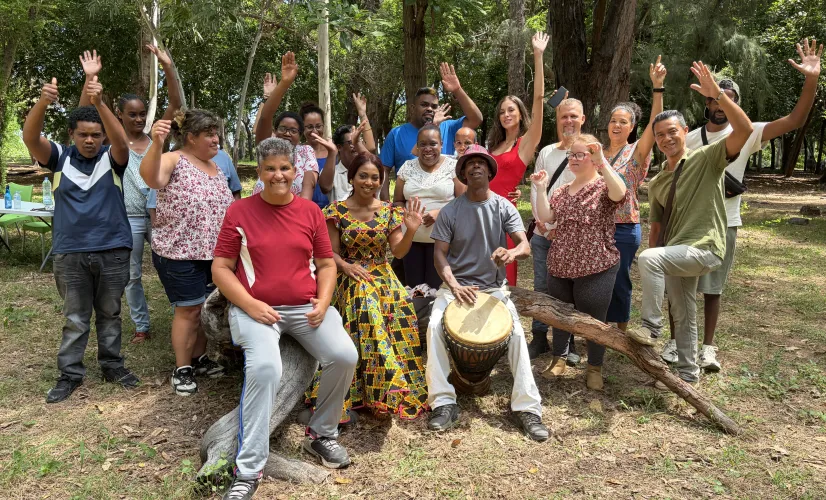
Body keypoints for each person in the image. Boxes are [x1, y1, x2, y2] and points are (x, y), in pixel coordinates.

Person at [660, 39, 823, 372]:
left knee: (712, 288)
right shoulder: (688, 138)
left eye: (727, 99)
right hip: (686, 224)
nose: (719, 105)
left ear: (735, 102)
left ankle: (707, 348)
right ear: (705, 102)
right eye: (713, 98)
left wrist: (811, 79)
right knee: (676, 285)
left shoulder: (748, 133)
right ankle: (675, 343)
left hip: (726, 222)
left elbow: (794, 119)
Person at [213, 138, 358, 499]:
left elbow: (326, 264)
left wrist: (324, 303)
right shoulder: (240, 212)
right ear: (259, 173)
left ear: (295, 171)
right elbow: (221, 268)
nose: (278, 175)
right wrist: (249, 305)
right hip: (257, 311)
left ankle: (322, 435)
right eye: (270, 169)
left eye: (285, 168)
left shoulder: (310, 211)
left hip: (305, 307)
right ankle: (247, 470)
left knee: (344, 355)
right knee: (266, 369)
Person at [626, 62, 754, 388]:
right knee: (684, 314)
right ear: (655, 141)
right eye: (660, 135)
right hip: (675, 252)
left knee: (649, 258)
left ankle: (651, 328)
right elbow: (656, 231)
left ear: (685, 132)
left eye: (673, 132)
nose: (667, 138)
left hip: (706, 248)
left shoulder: (706, 157)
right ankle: (688, 376)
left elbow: (745, 130)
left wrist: (718, 98)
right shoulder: (656, 183)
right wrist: (657, 263)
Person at [23, 76, 140, 403]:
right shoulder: (59, 156)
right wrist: (43, 102)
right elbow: (30, 137)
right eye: (83, 135)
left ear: (102, 135)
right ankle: (70, 373)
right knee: (75, 317)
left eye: (95, 134)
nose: (90, 140)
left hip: (113, 249)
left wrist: (100, 102)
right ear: (72, 135)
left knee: (110, 313)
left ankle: (112, 365)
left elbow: (120, 140)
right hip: (71, 252)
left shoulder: (112, 159)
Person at [425, 144, 548, 442]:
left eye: (481, 163)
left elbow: (525, 245)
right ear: (463, 173)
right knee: (433, 328)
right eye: (469, 164)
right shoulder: (451, 210)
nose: (475, 167)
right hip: (455, 289)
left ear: (490, 171)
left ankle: (527, 409)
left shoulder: (504, 206)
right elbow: (439, 255)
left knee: (517, 335)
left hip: (493, 289)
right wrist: (453, 285)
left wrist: (511, 252)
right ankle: (443, 403)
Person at [306, 152, 429, 422]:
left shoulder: (388, 211)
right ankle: (383, 387)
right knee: (365, 303)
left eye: (375, 177)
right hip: (348, 275)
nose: (369, 182)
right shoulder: (336, 211)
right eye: (363, 175)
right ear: (351, 178)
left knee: (400, 304)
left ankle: (384, 389)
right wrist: (347, 267)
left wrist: (410, 230)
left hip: (382, 275)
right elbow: (329, 254)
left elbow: (397, 252)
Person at [77, 46, 183, 344]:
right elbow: (85, 112)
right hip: (129, 218)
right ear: (120, 115)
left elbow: (175, 102)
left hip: (161, 215)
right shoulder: (113, 142)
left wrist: (167, 66)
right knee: (132, 275)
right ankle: (142, 325)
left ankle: (183, 314)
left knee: (172, 268)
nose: (138, 119)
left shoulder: (155, 139)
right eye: (132, 115)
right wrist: (91, 80)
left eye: (141, 115)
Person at [140, 109, 233, 396]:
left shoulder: (216, 167)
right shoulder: (173, 159)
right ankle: (182, 369)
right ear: (191, 137)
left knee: (205, 310)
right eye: (209, 134)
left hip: (212, 255)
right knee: (188, 311)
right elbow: (151, 179)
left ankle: (199, 358)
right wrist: (156, 143)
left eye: (216, 133)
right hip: (179, 253)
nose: (216, 139)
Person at [531, 135, 628, 390]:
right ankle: (559, 358)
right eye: (570, 155)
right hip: (561, 264)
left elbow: (620, 194)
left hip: (595, 266)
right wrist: (541, 190)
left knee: (594, 321)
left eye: (579, 154)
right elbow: (547, 216)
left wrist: (602, 162)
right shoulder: (563, 189)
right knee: (561, 315)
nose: (573, 159)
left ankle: (594, 367)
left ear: (593, 157)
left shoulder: (603, 186)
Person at [603, 57, 666, 333]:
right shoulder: (597, 152)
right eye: (613, 120)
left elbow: (655, 125)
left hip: (623, 227)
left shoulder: (636, 152)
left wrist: (658, 89)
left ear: (632, 128)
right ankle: (596, 327)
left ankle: (620, 331)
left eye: (623, 122)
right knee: (596, 278)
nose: (616, 125)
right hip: (594, 226)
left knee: (619, 280)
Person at [487, 32, 549, 287]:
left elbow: (538, 101)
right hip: (480, 214)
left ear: (520, 114)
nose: (506, 114)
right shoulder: (492, 147)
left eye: (511, 109)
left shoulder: (525, 144)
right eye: (502, 111)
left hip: (503, 218)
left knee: (503, 278)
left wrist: (538, 55)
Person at [526, 97, 585, 360]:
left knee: (569, 290)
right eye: (564, 117)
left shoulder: (588, 154)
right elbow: (535, 189)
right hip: (543, 235)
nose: (569, 121)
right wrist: (543, 225)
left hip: (572, 239)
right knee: (541, 286)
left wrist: (565, 231)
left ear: (582, 119)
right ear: (557, 120)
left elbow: (588, 195)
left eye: (574, 116)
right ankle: (539, 337)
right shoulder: (547, 152)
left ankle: (567, 341)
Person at [379, 62, 483, 198]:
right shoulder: (397, 134)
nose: (429, 109)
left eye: (434, 106)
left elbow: (476, 119)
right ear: (412, 108)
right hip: (410, 208)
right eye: (424, 105)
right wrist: (386, 204)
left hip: (446, 209)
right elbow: (384, 170)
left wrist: (457, 90)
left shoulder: (449, 127)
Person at [393, 126, 465, 288]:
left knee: (437, 291)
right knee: (414, 290)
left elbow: (463, 202)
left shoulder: (453, 167)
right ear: (417, 147)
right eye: (422, 144)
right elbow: (397, 201)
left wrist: (440, 213)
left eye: (432, 144)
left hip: (443, 242)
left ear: (441, 144)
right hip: (411, 241)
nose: (427, 149)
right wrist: (406, 215)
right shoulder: (407, 167)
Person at [253, 52, 333, 199]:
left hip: (292, 215)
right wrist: (284, 84)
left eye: (293, 130)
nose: (287, 133)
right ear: (275, 131)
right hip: (259, 213)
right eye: (283, 128)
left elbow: (309, 184)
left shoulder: (305, 152)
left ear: (300, 134)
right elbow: (265, 117)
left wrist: (299, 215)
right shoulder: (268, 146)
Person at [301, 93, 376, 208]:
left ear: (323, 125)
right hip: (306, 206)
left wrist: (362, 114)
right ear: (302, 128)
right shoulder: (299, 152)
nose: (314, 131)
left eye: (318, 126)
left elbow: (369, 149)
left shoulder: (334, 149)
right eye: (309, 127)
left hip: (331, 209)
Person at [319, 123, 373, 202]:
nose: (355, 146)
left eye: (358, 141)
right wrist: (332, 152)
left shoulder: (370, 170)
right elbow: (325, 187)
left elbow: (379, 172)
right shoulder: (332, 173)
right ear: (339, 147)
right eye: (351, 142)